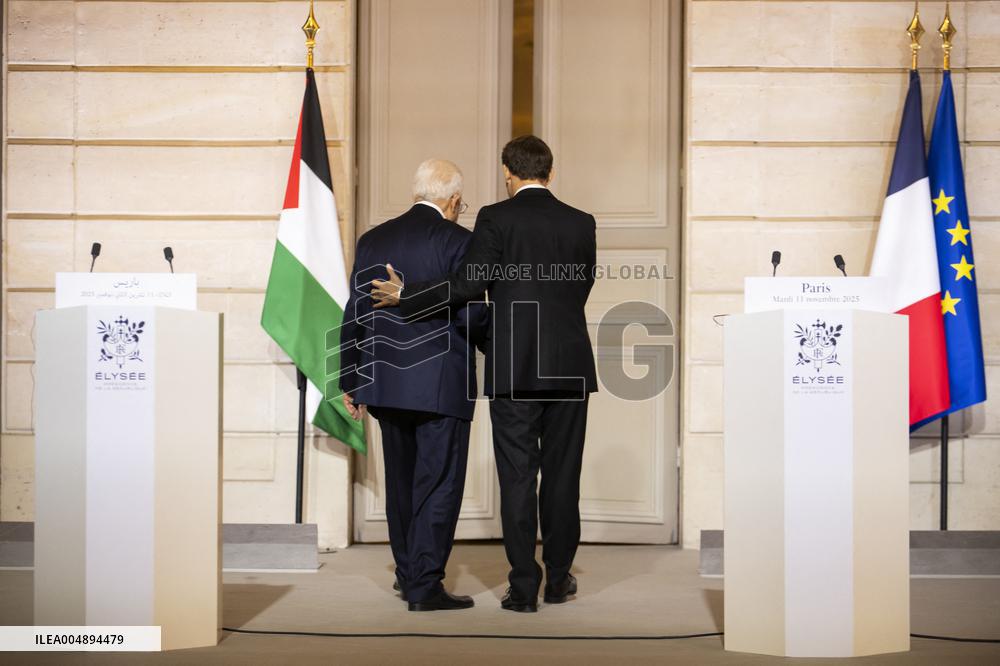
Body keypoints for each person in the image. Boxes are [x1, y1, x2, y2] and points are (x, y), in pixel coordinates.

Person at [371, 136, 597, 613]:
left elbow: (468, 285)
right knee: (563, 477)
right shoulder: (582, 222)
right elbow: (580, 288)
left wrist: (407, 296)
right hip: (570, 366)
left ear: (507, 174)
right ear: (551, 173)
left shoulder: (495, 218)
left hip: (514, 366)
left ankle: (523, 589)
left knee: (518, 478)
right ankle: (558, 580)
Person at [339, 159, 487, 612]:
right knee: (438, 484)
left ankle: (407, 575)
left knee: (401, 484)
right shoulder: (460, 241)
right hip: (441, 384)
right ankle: (424, 585)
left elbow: (354, 312)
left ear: (416, 192)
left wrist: (350, 377)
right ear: (454, 199)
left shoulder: (373, 240)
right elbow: (472, 313)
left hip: (384, 381)